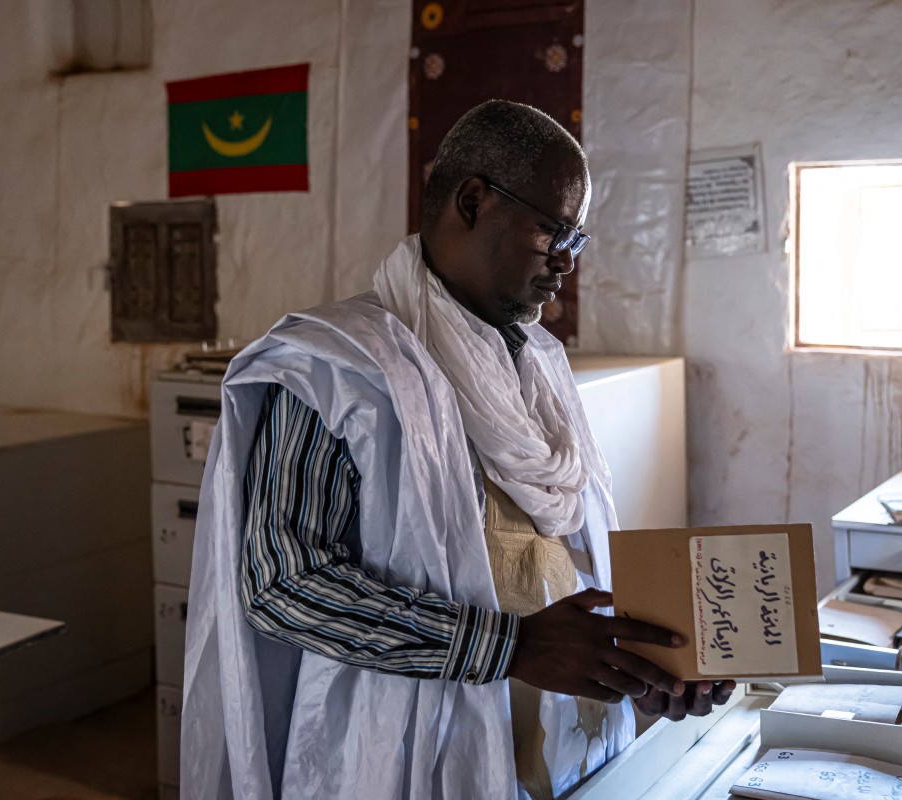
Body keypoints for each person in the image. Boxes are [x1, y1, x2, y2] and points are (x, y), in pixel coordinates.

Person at [181, 99, 734, 800]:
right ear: (473, 201)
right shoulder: (337, 369)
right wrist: (511, 647)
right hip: (406, 754)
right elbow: (283, 584)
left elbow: (564, 568)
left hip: (570, 751)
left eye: (577, 237)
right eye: (553, 230)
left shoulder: (540, 366)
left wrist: (641, 671)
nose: (567, 260)